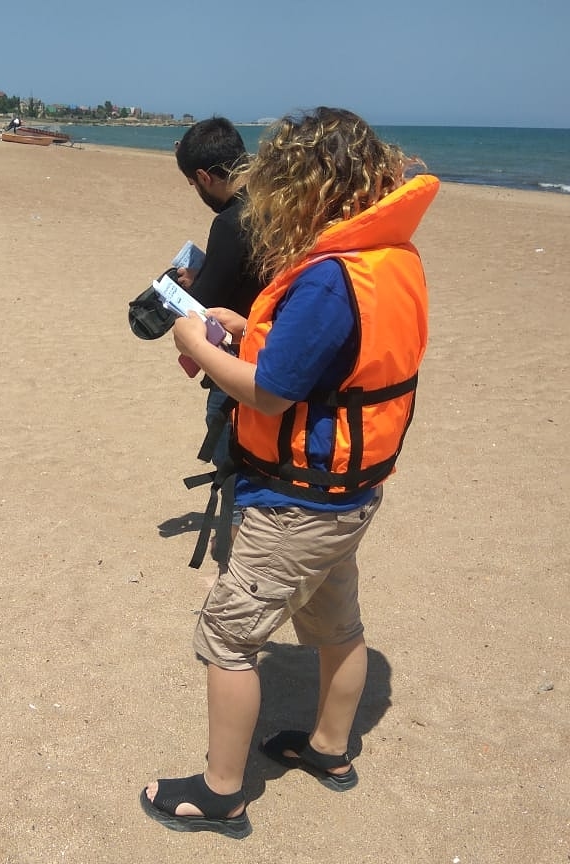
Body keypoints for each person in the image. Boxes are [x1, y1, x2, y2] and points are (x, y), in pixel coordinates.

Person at [139, 107, 439, 839]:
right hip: (351, 490)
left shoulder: (330, 279)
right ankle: (331, 750)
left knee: (229, 638)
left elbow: (270, 391)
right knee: (337, 623)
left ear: (306, 186)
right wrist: (247, 328)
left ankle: (221, 794)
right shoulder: (390, 257)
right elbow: (329, 360)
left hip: (298, 499)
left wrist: (195, 339)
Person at [173, 118, 263, 562]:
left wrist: (188, 288)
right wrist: (208, 271)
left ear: (205, 177)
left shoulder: (231, 222)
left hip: (241, 359)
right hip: (275, 343)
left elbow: (205, 307)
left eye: (195, 184)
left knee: (231, 453)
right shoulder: (276, 202)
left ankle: (234, 544)